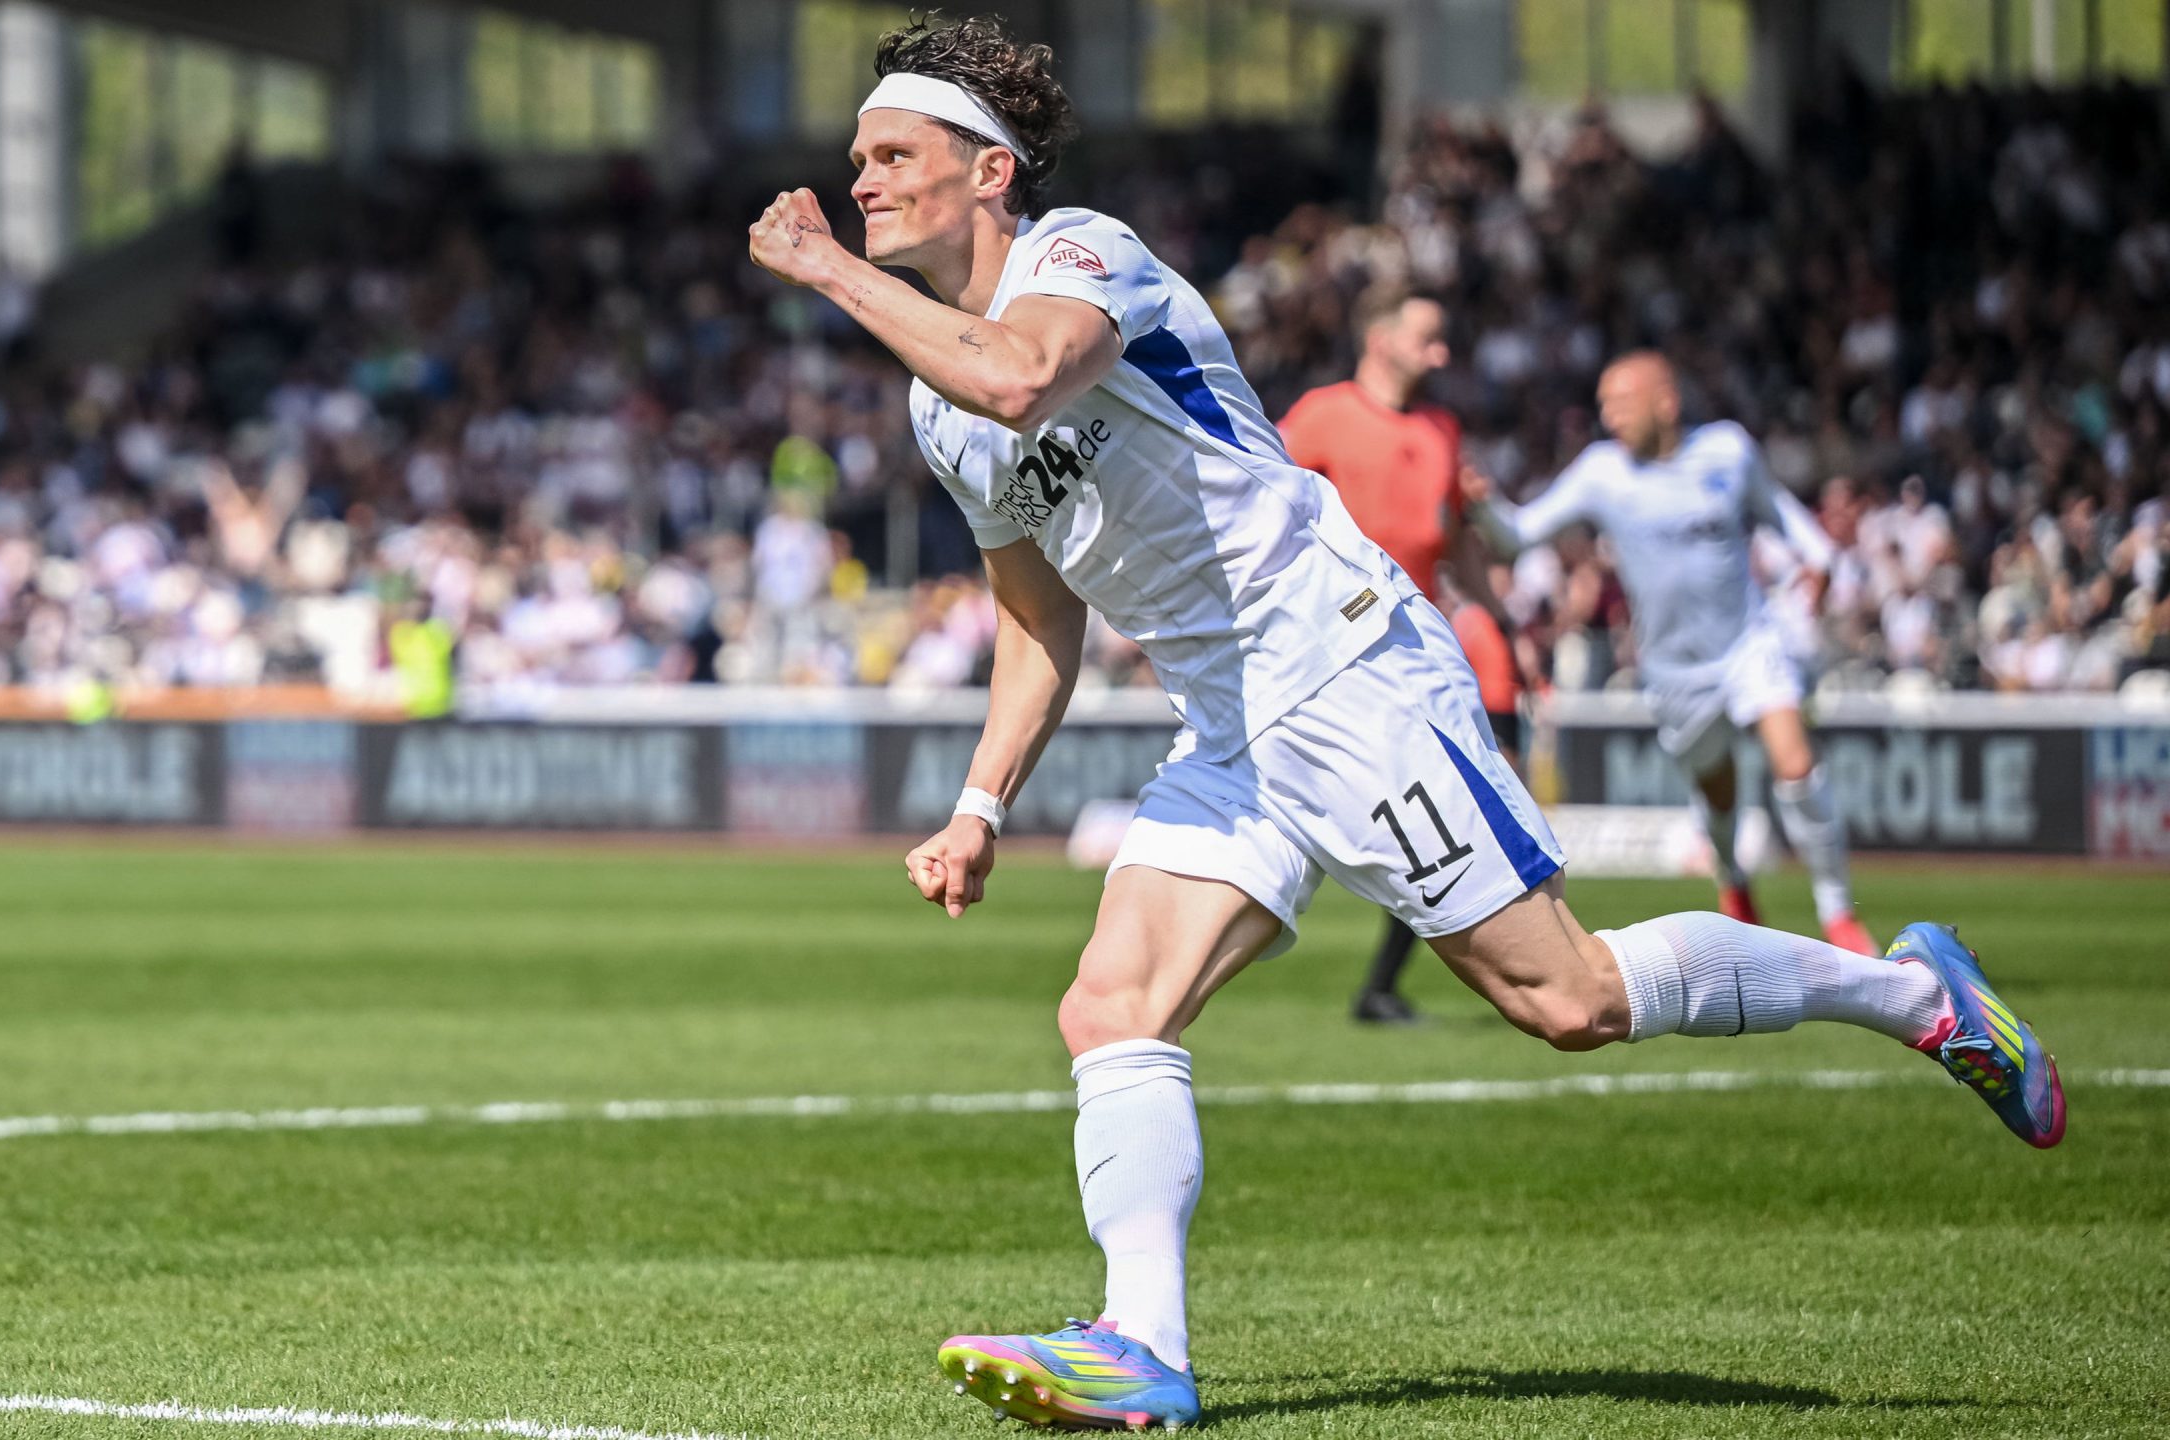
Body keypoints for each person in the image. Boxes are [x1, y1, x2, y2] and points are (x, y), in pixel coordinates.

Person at [745, 17, 2064, 1432]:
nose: (862, 180)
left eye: (894, 154)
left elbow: (1021, 373)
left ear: (990, 168)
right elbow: (1035, 621)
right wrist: (980, 805)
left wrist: (821, 266)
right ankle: (1142, 1348)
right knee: (1111, 1006)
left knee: (1568, 1000)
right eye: (856, 161)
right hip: (1232, 721)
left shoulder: (1082, 254)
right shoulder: (936, 411)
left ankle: (1923, 1000)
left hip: (1346, 671)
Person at [1462, 353, 1877, 955]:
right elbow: (1521, 534)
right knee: (1719, 791)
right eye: (1604, 405)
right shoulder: (1602, 472)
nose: (1609, 417)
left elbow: (1779, 511)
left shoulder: (1728, 452)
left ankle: (1838, 914)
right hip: (1675, 672)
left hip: (1747, 644)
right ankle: (1733, 881)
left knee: (1794, 763)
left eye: (1621, 403)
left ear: (1666, 402)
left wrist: (1819, 560)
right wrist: (1483, 506)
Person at [1275, 287, 1518, 1024]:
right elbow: (1259, 503)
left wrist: (1501, 625)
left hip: (1419, 643)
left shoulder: (1443, 428)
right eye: (1428, 337)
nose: (1440, 353)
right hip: (1332, 648)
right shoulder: (1321, 415)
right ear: (1380, 340)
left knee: (1450, 808)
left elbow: (1458, 544)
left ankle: (1383, 984)